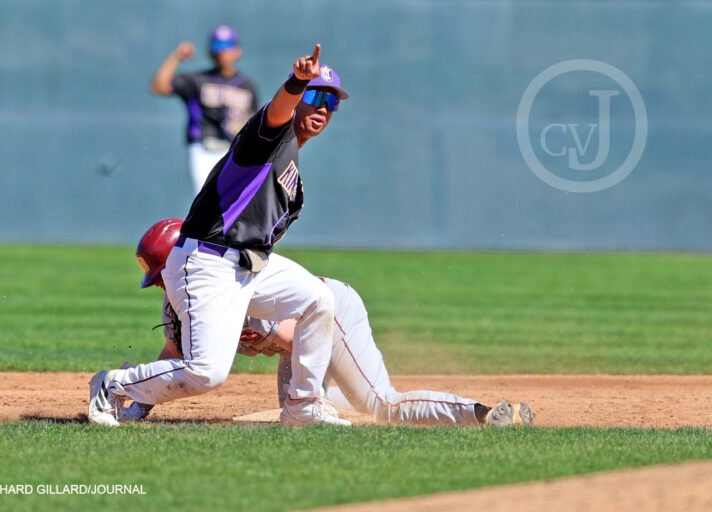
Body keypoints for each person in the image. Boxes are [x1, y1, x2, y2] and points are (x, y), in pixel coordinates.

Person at [89, 44, 352, 427]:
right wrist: (297, 81)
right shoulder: (269, 137)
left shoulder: (293, 166)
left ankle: (303, 405)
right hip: (209, 258)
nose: (323, 108)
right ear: (298, 100)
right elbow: (279, 110)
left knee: (318, 300)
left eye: (332, 101)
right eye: (315, 96)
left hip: (249, 264)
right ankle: (112, 385)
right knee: (207, 373)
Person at [121, 219, 536, 427]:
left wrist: (305, 395)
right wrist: (137, 406)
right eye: (159, 280)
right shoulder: (185, 299)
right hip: (301, 330)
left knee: (379, 403)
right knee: (300, 417)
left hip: (329, 313)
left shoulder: (226, 288)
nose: (164, 285)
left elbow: (294, 337)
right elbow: (173, 355)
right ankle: (326, 403)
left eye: (163, 275)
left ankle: (480, 413)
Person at [150, 25, 259, 193]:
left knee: (232, 202)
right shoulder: (198, 80)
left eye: (227, 47)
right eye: (217, 47)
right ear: (210, 51)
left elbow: (253, 123)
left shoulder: (247, 86)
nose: (222, 52)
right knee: (205, 199)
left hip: (233, 151)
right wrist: (176, 56)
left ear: (237, 50)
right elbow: (159, 87)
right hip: (204, 149)